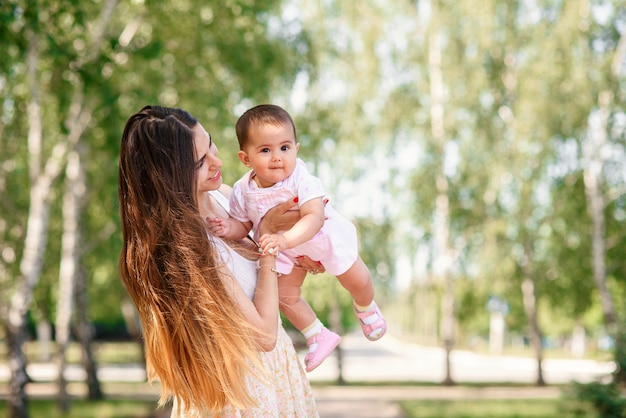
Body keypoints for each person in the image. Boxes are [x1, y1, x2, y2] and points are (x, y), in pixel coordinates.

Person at [118, 105, 318, 416]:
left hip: (278, 377)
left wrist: (300, 255)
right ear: (170, 175)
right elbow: (264, 336)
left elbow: (265, 288)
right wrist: (267, 239)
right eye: (201, 162)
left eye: (210, 144)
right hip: (243, 397)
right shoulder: (191, 249)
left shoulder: (228, 197)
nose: (218, 161)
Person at [207, 104, 386, 373]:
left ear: (296, 149)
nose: (277, 157)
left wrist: (286, 241)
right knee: (285, 297)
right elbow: (243, 226)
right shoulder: (243, 190)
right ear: (245, 158)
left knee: (358, 280)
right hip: (287, 251)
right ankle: (317, 334)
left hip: (321, 239)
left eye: (285, 148)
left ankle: (366, 307)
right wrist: (227, 227)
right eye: (266, 150)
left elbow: (314, 217)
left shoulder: (301, 178)